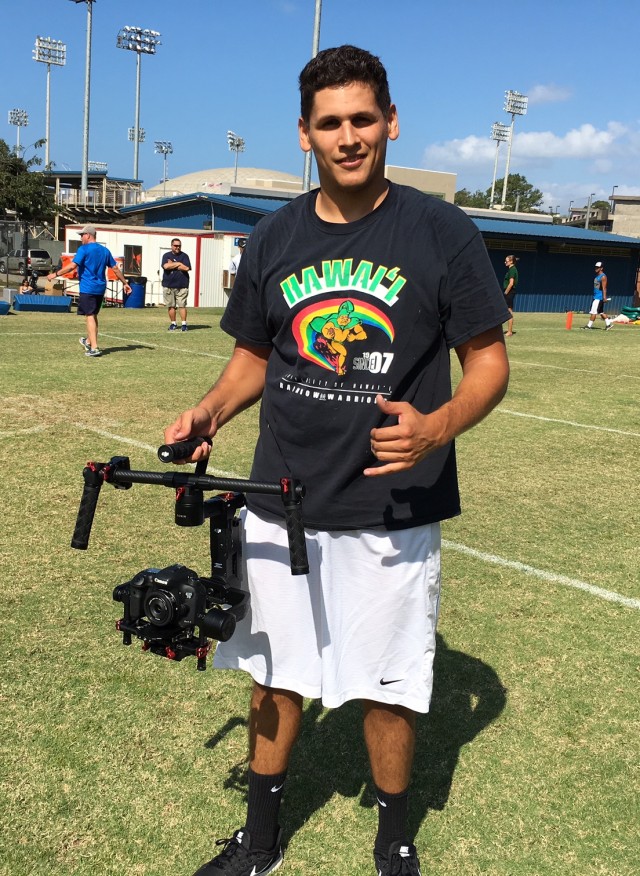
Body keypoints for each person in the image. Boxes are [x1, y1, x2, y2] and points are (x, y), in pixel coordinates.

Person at [164, 45, 510, 876]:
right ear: (304, 136)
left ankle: (393, 840)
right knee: (274, 676)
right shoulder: (277, 236)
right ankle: (260, 839)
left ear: (390, 123)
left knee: (387, 687)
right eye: (330, 124)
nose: (348, 137)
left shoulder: (441, 232)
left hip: (393, 508)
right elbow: (254, 356)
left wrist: (440, 425)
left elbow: (489, 363)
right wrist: (210, 410)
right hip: (278, 496)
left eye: (362, 119)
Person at [47, 225, 131, 357]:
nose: (81, 238)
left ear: (88, 235)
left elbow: (72, 266)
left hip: (88, 288)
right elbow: (115, 269)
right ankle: (88, 341)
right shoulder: (105, 251)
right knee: (93, 315)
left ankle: (95, 348)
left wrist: (55, 274)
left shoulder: (83, 249)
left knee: (90, 316)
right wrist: (125, 283)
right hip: (100, 288)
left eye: (82, 235)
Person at [161, 238, 191, 331]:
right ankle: (173, 324)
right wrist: (178, 264)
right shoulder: (166, 255)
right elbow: (166, 266)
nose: (177, 247)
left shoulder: (185, 256)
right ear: (171, 246)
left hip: (182, 285)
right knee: (171, 306)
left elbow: (186, 268)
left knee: (182, 305)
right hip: (169, 285)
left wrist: (174, 264)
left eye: (179, 246)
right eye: (175, 245)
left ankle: (184, 324)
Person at [583, 261, 613, 330]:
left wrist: (604, 297)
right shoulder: (597, 276)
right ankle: (608, 325)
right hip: (596, 296)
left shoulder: (603, 277)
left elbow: (604, 288)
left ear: (601, 268)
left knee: (593, 312)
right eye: (596, 267)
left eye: (598, 267)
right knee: (601, 312)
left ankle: (589, 326)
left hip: (598, 298)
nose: (596, 268)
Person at [503, 254, 519, 336]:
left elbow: (511, 283)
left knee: (509, 311)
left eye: (506, 261)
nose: (505, 262)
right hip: (509, 292)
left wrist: (505, 293)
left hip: (509, 292)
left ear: (511, 261)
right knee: (506, 310)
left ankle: (509, 331)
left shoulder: (512, 270)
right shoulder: (511, 270)